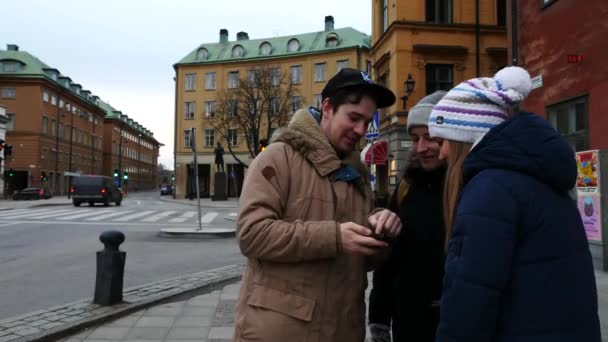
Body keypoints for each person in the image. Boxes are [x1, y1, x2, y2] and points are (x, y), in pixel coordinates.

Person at [427, 66, 601, 341]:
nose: (442, 152)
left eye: (443, 139)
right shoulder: (540, 180)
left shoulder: (489, 191)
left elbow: (468, 307)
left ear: (466, 136)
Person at [234, 68, 402, 342]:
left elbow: (363, 260)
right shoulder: (278, 157)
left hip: (342, 329)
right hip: (281, 332)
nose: (360, 130)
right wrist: (334, 237)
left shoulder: (356, 174)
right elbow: (251, 235)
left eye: (367, 122)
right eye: (354, 117)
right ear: (327, 107)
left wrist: (381, 231)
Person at [368, 91, 447, 342]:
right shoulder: (406, 186)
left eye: (430, 138)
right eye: (415, 139)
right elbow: (387, 259)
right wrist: (379, 318)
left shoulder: (472, 185)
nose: (421, 148)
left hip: (455, 319)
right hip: (409, 321)